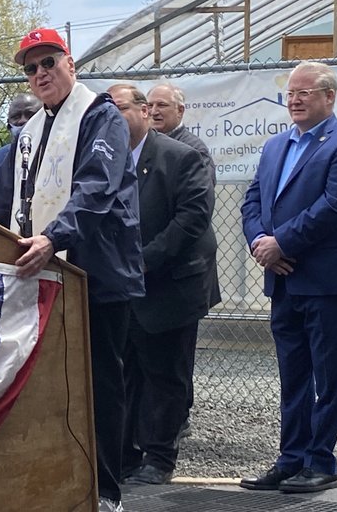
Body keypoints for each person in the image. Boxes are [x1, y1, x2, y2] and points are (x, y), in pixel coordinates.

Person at [0, 28, 144, 512]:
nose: (40, 74)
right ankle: (58, 481)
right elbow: (2, 201)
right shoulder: (28, 132)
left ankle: (106, 491)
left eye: (48, 62)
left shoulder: (100, 116)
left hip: (96, 274)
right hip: (41, 275)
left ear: (69, 62)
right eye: (30, 68)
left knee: (100, 386)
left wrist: (54, 237)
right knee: (48, 384)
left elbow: (96, 187)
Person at [239, 62, 337, 493]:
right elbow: (254, 198)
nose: (294, 100)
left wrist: (283, 243)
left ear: (329, 97)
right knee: (293, 375)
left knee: (329, 376)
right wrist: (261, 241)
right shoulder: (276, 145)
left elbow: (335, 207)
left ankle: (322, 463)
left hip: (327, 279)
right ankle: (291, 459)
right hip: (283, 278)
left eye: (304, 93)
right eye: (290, 94)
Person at [107, 84, 218, 485]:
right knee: (125, 375)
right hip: (120, 289)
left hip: (170, 286)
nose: (113, 118)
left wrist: (139, 262)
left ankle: (160, 458)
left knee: (165, 377)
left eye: (120, 109)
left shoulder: (181, 157)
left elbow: (191, 220)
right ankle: (126, 456)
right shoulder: (103, 161)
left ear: (142, 112)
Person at [147, 83, 216, 185]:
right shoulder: (141, 143)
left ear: (180, 110)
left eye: (161, 105)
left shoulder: (194, 149)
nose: (153, 112)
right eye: (150, 105)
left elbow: (202, 192)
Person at [0, 93, 41, 201]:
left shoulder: (56, 153)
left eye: (30, 115)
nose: (23, 121)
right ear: (8, 125)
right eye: (16, 116)